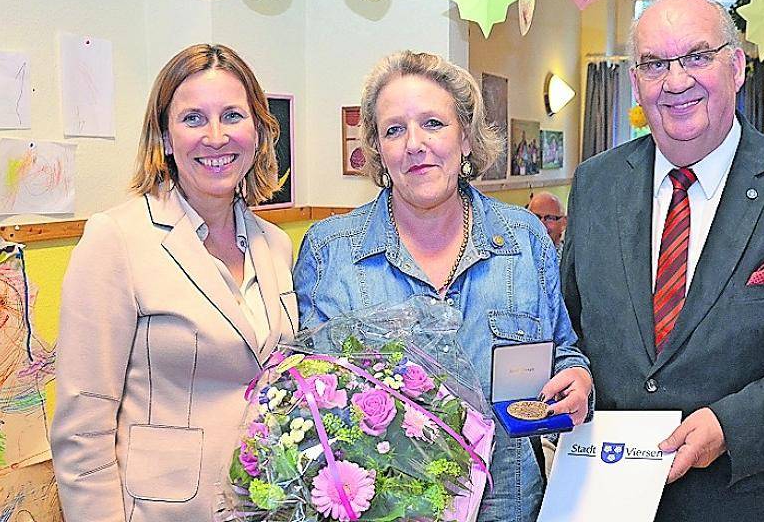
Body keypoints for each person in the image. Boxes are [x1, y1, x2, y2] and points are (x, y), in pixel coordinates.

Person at [560, 0, 764, 520]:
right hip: (604, 494)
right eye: (655, 64)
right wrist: (571, 372)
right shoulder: (596, 184)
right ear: (635, 81)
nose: (675, 80)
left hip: (741, 499)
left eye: (696, 56)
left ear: (736, 67)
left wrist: (731, 427)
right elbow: (571, 328)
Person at [293, 50, 592, 522]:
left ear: (466, 139)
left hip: (511, 507)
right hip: (385, 511)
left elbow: (562, 350)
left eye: (433, 123)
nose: (414, 144)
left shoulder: (526, 239)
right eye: (394, 130)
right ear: (377, 151)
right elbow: (307, 404)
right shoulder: (330, 253)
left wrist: (578, 380)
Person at [51, 44, 299, 521]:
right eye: (192, 119)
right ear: (165, 137)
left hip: (263, 506)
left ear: (258, 130)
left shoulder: (274, 245)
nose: (215, 136)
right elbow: (82, 429)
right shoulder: (116, 239)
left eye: (232, 115)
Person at [527, 191, 567, 256]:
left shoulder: (572, 260)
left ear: (564, 223)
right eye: (536, 217)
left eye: (550, 218)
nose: (541, 224)